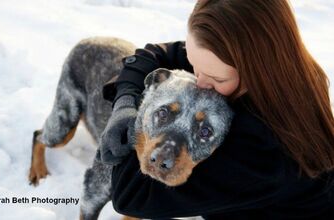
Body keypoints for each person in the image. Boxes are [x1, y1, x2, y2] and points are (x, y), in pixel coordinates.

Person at [100, 0, 334, 219]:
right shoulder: (276, 65)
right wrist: (125, 102)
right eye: (193, 64)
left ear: (256, 68)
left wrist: (139, 120)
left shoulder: (264, 150)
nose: (199, 82)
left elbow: (132, 194)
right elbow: (156, 55)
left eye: (215, 78)